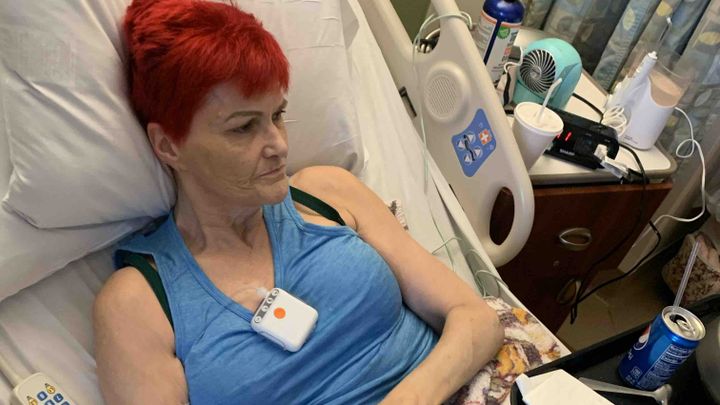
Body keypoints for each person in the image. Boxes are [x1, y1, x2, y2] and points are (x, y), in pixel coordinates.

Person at [93, 1, 504, 404]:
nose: (278, 145)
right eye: (244, 128)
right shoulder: (137, 303)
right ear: (169, 145)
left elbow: (477, 320)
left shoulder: (327, 194)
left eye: (277, 115)